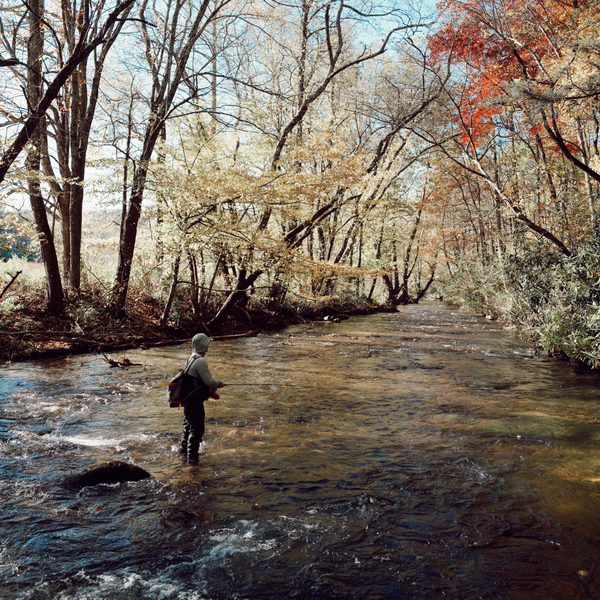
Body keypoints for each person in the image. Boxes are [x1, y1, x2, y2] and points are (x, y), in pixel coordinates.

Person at [180, 333, 225, 463]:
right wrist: (219, 383)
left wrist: (210, 393)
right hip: (194, 402)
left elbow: (195, 382)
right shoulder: (201, 361)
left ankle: (184, 455)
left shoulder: (190, 358)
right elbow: (209, 381)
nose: (207, 348)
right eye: (206, 345)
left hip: (188, 400)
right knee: (197, 429)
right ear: (202, 346)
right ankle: (192, 461)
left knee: (188, 426)